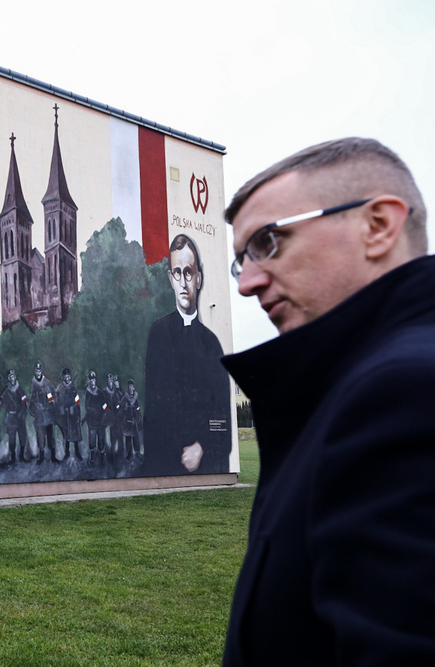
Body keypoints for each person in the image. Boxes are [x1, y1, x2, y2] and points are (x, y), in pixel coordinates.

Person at [220, 137, 435, 665]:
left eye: (269, 241)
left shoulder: (404, 394)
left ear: (378, 225)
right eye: (240, 260)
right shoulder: (353, 387)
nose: (247, 283)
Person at [142, 234, 231, 477]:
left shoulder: (212, 344)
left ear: (198, 278)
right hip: (164, 463)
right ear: (171, 278)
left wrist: (203, 447)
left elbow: (222, 415)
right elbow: (153, 409)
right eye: (177, 273)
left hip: (204, 466)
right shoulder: (158, 334)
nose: (183, 281)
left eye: (189, 272)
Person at [29, 362, 59, 464]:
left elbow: (54, 396)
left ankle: (53, 456)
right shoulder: (33, 384)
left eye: (39, 370)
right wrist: (35, 409)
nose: (38, 372)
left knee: (51, 436)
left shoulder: (47, 383)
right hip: (39, 415)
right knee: (40, 436)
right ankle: (41, 456)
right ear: (34, 371)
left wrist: (51, 404)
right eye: (36, 371)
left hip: (48, 414)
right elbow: (31, 400)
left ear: (41, 371)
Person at [1, 369, 30, 464]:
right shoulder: (6, 390)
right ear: (8, 378)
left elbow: (25, 402)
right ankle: (13, 458)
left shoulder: (20, 389)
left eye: (13, 376)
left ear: (15, 377)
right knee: (12, 439)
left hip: (20, 416)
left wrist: (23, 413)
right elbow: (2, 402)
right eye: (10, 376)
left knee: (22, 437)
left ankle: (21, 456)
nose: (11, 378)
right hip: (11, 417)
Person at [55, 367, 83, 462]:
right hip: (64, 416)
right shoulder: (60, 388)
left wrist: (75, 408)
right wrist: (60, 409)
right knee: (66, 434)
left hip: (73, 415)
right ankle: (66, 453)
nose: (67, 378)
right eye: (65, 376)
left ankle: (77, 452)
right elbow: (56, 400)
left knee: (75, 434)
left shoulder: (73, 387)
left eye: (68, 376)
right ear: (63, 377)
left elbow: (77, 400)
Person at [83, 371, 105, 465]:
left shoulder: (100, 392)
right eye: (91, 380)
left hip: (100, 420)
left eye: (94, 380)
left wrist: (105, 413)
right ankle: (92, 456)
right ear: (89, 381)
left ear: (95, 381)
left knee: (101, 439)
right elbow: (87, 406)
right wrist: (94, 410)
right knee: (92, 439)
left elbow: (104, 404)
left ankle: (102, 456)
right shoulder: (88, 392)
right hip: (92, 420)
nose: (92, 382)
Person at [120, 379, 142, 460]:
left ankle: (137, 453)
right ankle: (129, 453)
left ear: (133, 388)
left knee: (135, 437)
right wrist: (124, 409)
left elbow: (138, 408)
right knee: (128, 438)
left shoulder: (135, 398)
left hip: (134, 420)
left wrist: (138, 414)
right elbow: (120, 406)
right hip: (127, 420)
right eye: (129, 386)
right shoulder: (125, 397)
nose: (130, 388)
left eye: (131, 386)